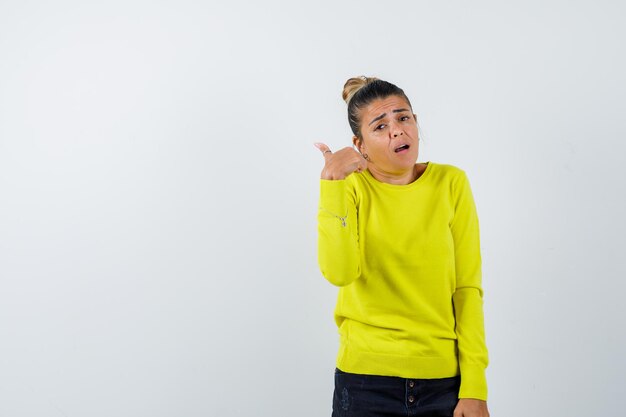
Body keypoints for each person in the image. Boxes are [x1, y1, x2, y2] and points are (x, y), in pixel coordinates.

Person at [314, 76, 490, 417]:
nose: (397, 130)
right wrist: (332, 186)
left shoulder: (451, 183)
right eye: (380, 126)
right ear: (359, 144)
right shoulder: (352, 188)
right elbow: (339, 272)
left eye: (403, 117)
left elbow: (466, 289)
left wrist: (475, 387)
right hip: (364, 382)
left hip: (443, 384)